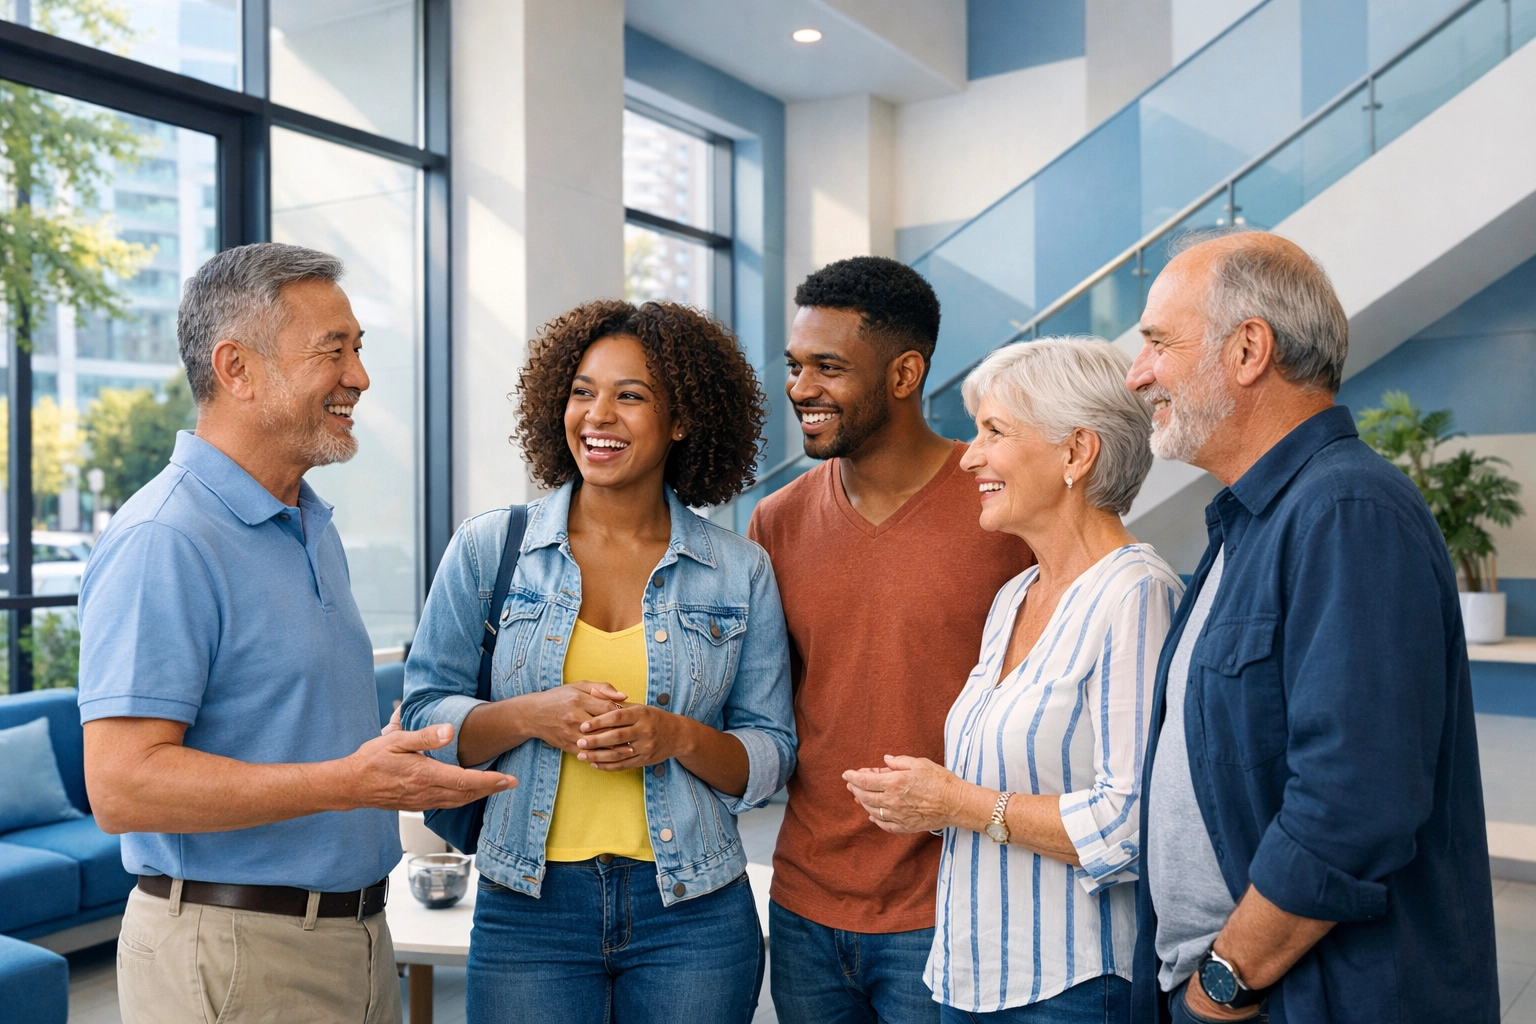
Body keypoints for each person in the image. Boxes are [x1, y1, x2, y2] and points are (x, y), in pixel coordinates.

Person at [76, 243, 514, 1024]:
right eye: (332, 351)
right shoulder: (164, 538)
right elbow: (122, 786)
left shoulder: (306, 522)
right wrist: (349, 782)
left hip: (354, 937)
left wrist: (390, 761)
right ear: (236, 369)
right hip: (234, 953)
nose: (360, 377)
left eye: (359, 349)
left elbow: (288, 728)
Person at [1124, 230, 1499, 1024]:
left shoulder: (1346, 510)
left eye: (1157, 342)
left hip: (1294, 998)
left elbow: (1353, 805)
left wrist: (1222, 985)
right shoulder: (1253, 521)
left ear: (1249, 348)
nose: (1138, 373)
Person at [402, 299, 796, 1024]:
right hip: (529, 907)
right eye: (582, 391)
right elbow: (425, 714)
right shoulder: (491, 547)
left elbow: (771, 753)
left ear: (682, 420)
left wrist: (675, 736)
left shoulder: (740, 571)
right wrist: (529, 716)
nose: (597, 415)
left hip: (694, 912)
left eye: (630, 395)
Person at [845, 337, 1182, 1023]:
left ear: (1075, 453)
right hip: (968, 976)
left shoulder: (1136, 593)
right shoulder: (1017, 595)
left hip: (1072, 990)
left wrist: (953, 803)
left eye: (994, 432)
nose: (969, 456)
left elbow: (1132, 822)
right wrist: (925, 801)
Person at [749, 256, 1034, 1024]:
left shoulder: (1004, 511)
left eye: (829, 368)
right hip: (805, 907)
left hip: (951, 905)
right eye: (796, 366)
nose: (801, 389)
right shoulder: (775, 522)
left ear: (905, 373)